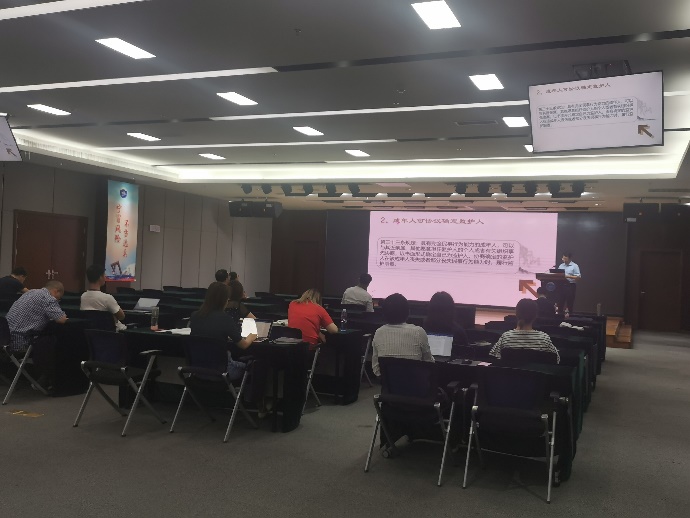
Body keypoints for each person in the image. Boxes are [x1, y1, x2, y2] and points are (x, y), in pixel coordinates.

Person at [189, 282, 257, 380]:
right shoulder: (225, 319)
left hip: (198, 369)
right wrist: (251, 336)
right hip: (223, 371)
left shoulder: (195, 315)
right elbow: (243, 345)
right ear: (223, 300)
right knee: (257, 365)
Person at [372, 293, 433, 376]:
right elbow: (429, 363)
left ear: (384, 313)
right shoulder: (418, 332)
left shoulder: (379, 332)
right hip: (416, 382)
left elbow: (376, 369)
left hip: (389, 383)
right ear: (408, 312)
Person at [490, 298, 560, 363]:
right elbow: (556, 359)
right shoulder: (544, 338)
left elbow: (493, 357)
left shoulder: (506, 337)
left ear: (516, 314)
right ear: (535, 316)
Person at [6, 280, 68, 352]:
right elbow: (61, 319)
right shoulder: (47, 297)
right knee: (52, 337)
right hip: (20, 342)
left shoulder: (30, 292)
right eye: (59, 298)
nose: (57, 300)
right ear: (56, 291)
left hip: (5, 337)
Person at [80, 264, 126, 331]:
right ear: (100, 277)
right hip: (111, 333)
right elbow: (121, 316)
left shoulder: (83, 296)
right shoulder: (107, 298)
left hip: (91, 333)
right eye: (104, 275)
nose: (105, 277)